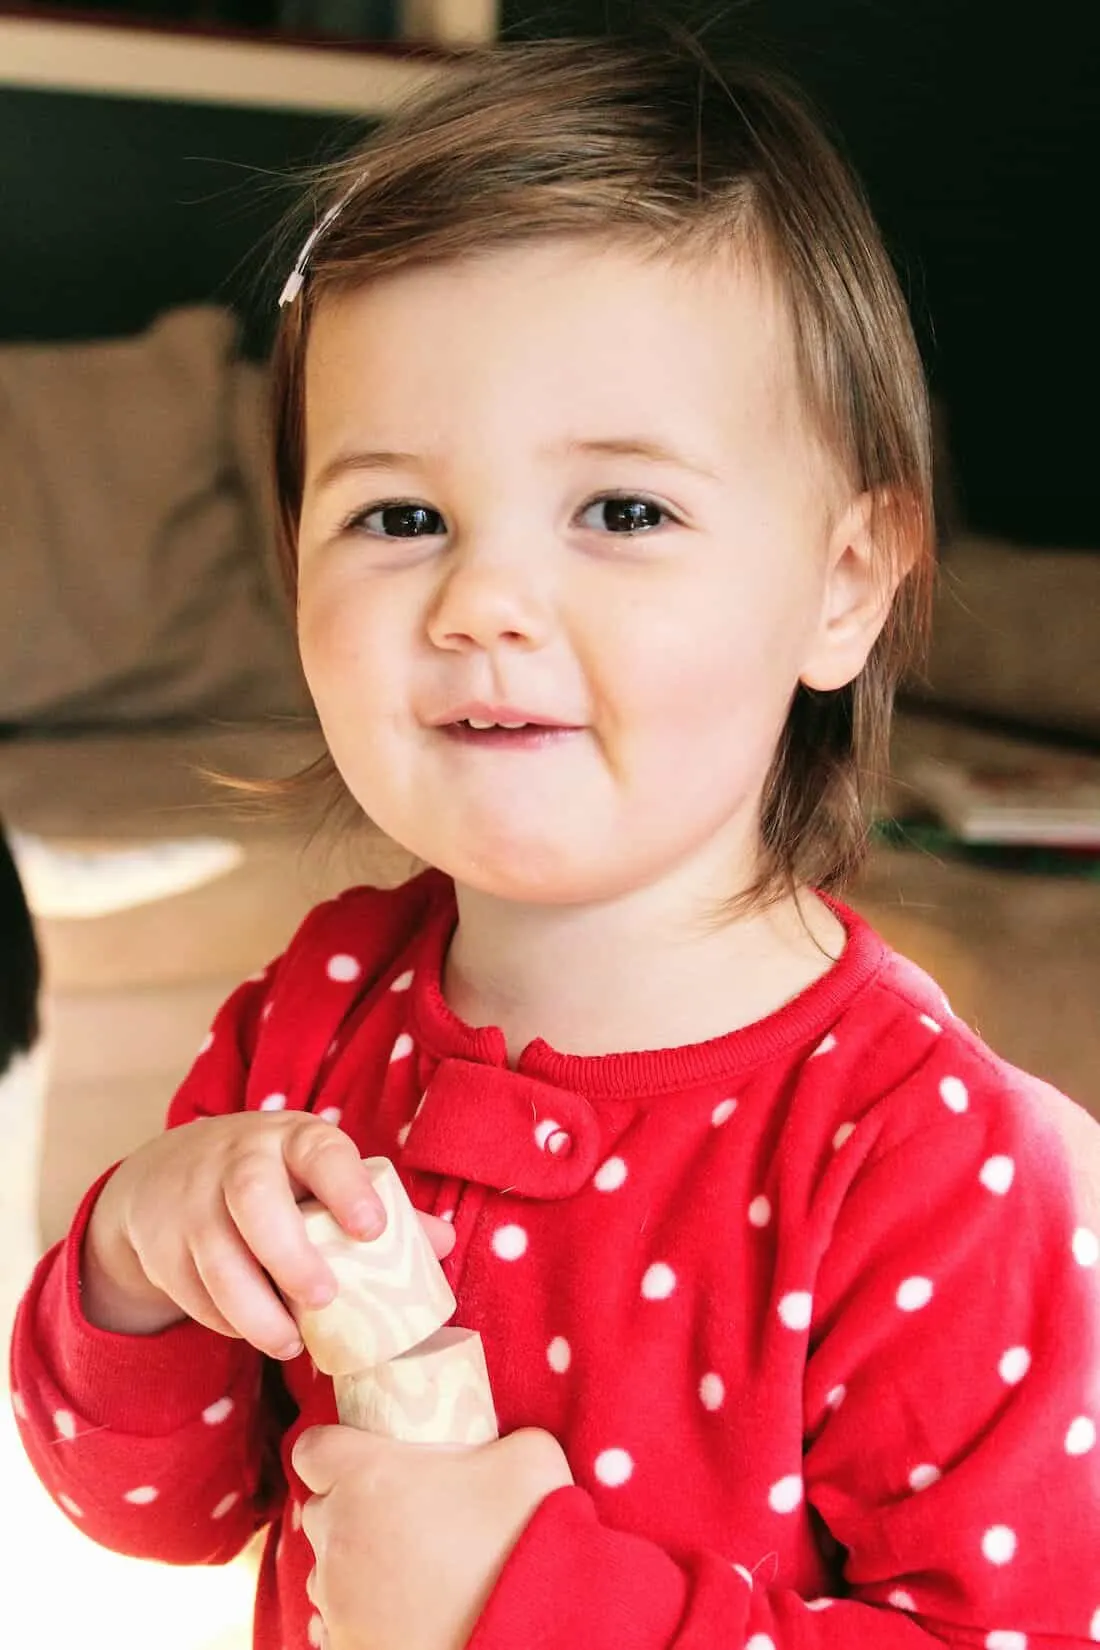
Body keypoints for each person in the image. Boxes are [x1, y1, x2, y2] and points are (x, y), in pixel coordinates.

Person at [10, 34, 1100, 1650]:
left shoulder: (927, 1162)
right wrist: (130, 1256)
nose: (481, 602)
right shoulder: (311, 1016)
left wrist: (535, 1609)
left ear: (845, 581)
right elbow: (166, 1507)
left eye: (622, 510)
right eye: (399, 517)